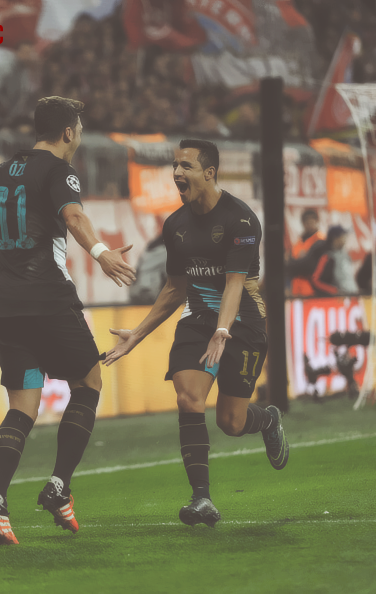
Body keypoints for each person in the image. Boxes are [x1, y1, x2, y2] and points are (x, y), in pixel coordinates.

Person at [0, 96, 136, 544]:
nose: (80, 135)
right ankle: (58, 486)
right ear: (68, 132)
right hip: (49, 301)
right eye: (80, 128)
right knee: (88, 383)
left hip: (5, 307)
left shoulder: (1, 171)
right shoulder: (59, 171)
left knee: (21, 408)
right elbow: (73, 215)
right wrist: (101, 252)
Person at [103, 139, 289, 528]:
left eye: (185, 166)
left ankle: (268, 420)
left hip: (243, 323)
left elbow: (235, 283)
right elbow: (175, 288)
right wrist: (138, 334)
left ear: (210, 172)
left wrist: (223, 329)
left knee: (231, 422)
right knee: (188, 398)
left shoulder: (241, 220)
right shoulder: (175, 225)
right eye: (175, 166)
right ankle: (201, 499)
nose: (176, 173)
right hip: (197, 319)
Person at [287, 209, 325, 296]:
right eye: (307, 221)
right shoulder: (298, 242)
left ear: (317, 221)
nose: (309, 224)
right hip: (296, 288)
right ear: (303, 223)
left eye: (312, 220)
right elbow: (289, 264)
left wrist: (296, 263)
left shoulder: (321, 240)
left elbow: (312, 266)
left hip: (313, 290)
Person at [310, 225, 358, 296]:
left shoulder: (346, 256)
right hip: (337, 300)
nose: (345, 239)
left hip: (353, 296)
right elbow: (315, 281)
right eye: (343, 236)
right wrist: (334, 291)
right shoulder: (327, 257)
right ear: (335, 239)